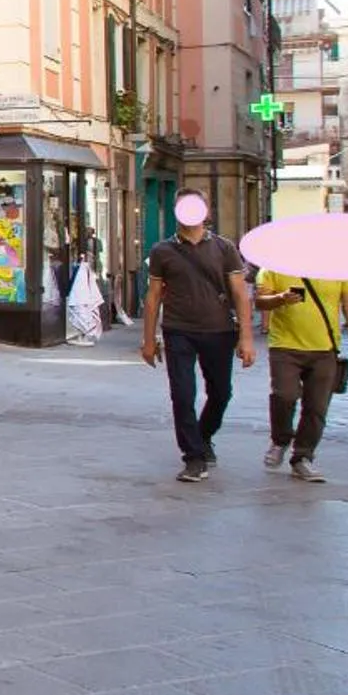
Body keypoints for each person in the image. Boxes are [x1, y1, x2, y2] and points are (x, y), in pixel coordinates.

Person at [139, 189, 258, 482]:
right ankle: (193, 457)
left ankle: (203, 435)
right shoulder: (162, 251)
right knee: (182, 394)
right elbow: (153, 297)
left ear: (205, 211)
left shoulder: (224, 248)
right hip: (179, 329)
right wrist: (149, 340)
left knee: (220, 392)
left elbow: (240, 294)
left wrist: (246, 337)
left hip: (219, 330)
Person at [255, 270, 348, 483]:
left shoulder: (340, 267)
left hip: (325, 348)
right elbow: (260, 301)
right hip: (284, 345)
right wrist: (280, 298)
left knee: (317, 407)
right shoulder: (274, 264)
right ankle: (280, 439)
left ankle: (303, 456)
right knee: (284, 394)